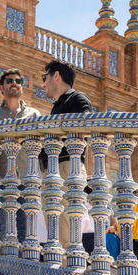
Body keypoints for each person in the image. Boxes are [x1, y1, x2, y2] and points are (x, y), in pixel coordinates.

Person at [41, 59, 93, 248]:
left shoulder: (77, 99)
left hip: (66, 166)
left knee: (66, 228)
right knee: (55, 225)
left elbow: (83, 127)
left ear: (56, 76)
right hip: (54, 169)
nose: (43, 83)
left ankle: (69, 273)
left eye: (44, 77)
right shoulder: (57, 106)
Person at [0, 69, 41, 245]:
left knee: (25, 228)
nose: (14, 83)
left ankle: (24, 266)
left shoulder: (33, 114)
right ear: (1, 87)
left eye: (18, 81)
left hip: (27, 176)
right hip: (1, 176)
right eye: (9, 80)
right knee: (1, 226)